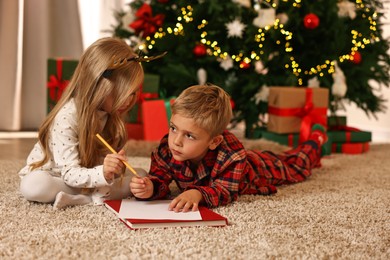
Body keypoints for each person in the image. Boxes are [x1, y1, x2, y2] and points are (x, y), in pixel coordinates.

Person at [130, 83, 328, 212]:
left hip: (258, 168)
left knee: (296, 164)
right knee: (287, 155)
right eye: (173, 128)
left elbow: (225, 191)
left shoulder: (231, 156)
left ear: (214, 141)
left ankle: (316, 140)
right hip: (247, 160)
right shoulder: (168, 148)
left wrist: (198, 193)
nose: (176, 141)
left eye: (189, 135)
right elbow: (160, 178)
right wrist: (150, 188)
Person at [19, 37, 150, 210]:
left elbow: (100, 166)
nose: (129, 101)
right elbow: (69, 173)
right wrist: (102, 173)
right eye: (124, 93)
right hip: (56, 176)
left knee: (140, 176)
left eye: (133, 93)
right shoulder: (67, 116)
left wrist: (112, 168)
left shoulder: (112, 115)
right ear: (100, 86)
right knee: (33, 185)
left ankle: (84, 196)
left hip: (89, 177)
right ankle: (91, 196)